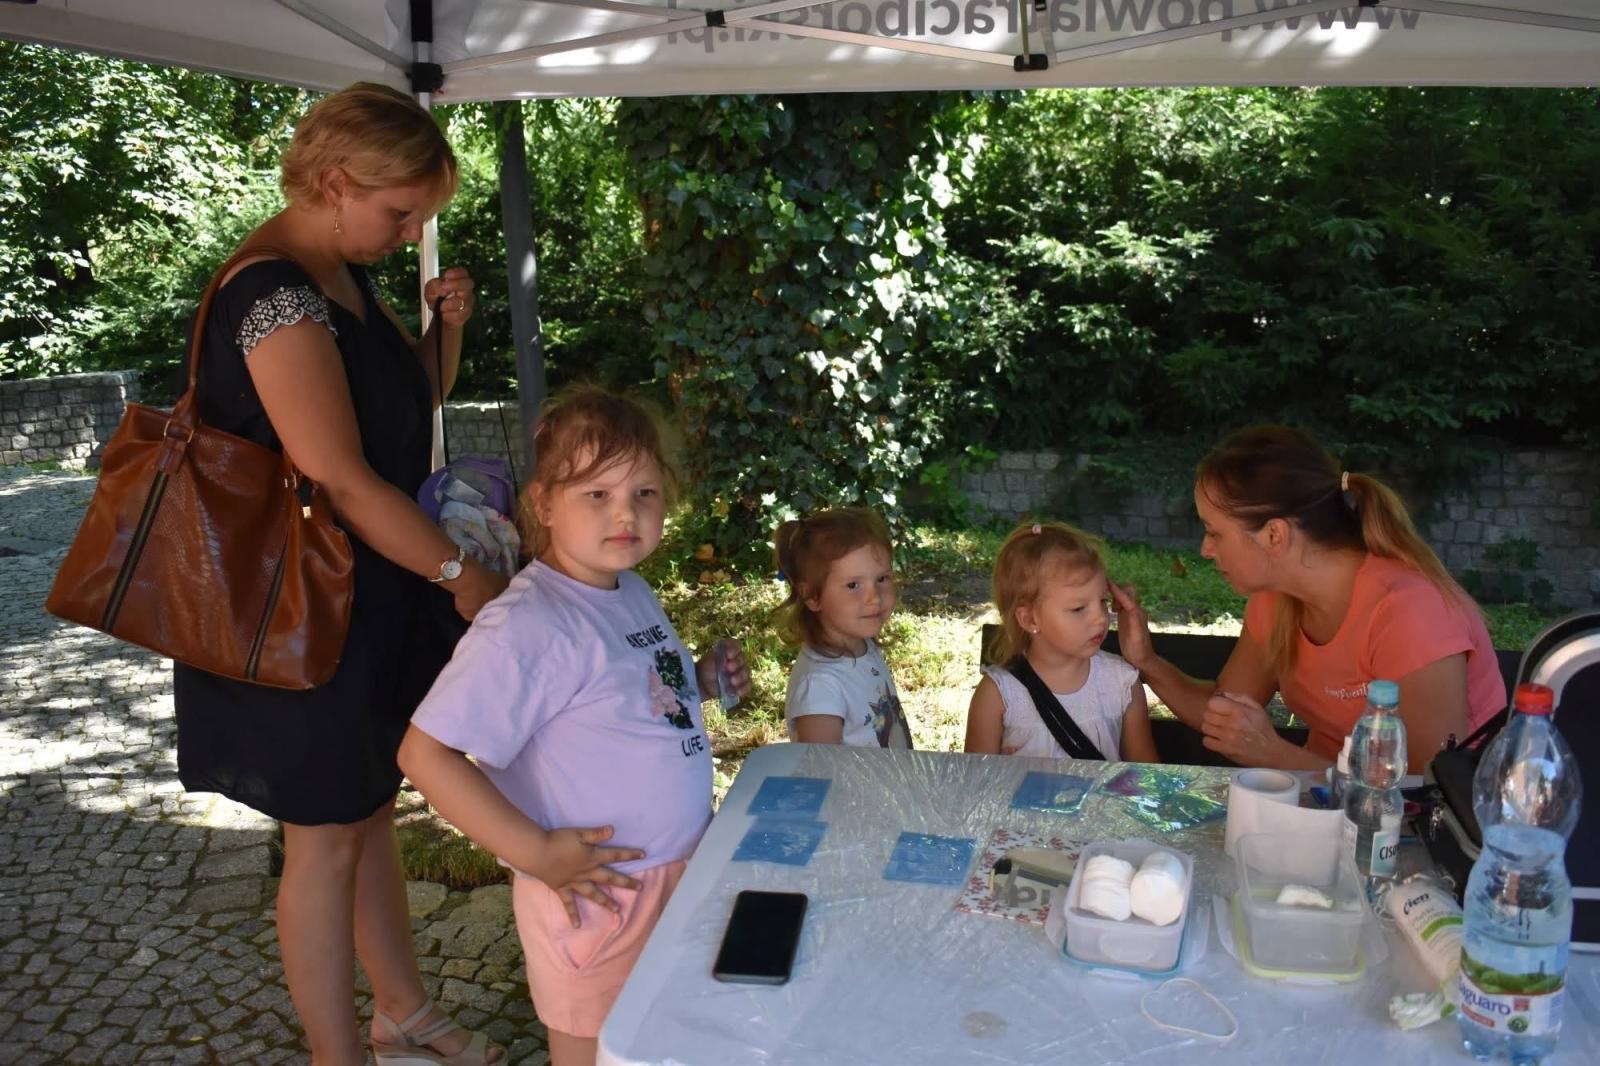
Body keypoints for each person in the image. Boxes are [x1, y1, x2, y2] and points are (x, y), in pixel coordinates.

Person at [170, 83, 509, 1066]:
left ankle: (402, 1011)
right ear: (332, 182)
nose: (410, 235)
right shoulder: (272, 291)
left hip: (364, 597)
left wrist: (441, 335)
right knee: (322, 835)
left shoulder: (339, 275)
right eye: (399, 212)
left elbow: (403, 416)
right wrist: (459, 573)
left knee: (365, 814)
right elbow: (345, 476)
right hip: (301, 607)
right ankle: (338, 1055)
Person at [398, 385, 751, 1066]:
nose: (626, 513)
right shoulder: (529, 623)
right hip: (600, 896)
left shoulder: (627, 589)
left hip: (676, 870)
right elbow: (425, 753)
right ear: (543, 504)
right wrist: (536, 854)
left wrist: (701, 683)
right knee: (596, 1052)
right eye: (597, 494)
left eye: (644, 493)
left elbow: (625, 702)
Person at [1112, 425, 1506, 773]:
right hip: (1325, 808)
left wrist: (1275, 755)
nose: (1205, 549)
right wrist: (1146, 661)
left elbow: (1422, 789)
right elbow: (1223, 713)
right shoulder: (1276, 600)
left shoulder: (1409, 612)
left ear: (1274, 536)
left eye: (1214, 532)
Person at [964, 522, 1158, 762]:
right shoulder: (998, 696)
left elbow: (1147, 778)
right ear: (1029, 619)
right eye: (1078, 608)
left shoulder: (1122, 684)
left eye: (1103, 601)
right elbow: (976, 785)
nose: (1100, 617)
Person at [775, 508, 913, 747]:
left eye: (882, 579)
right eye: (853, 585)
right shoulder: (819, 685)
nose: (874, 597)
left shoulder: (863, 646)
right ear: (812, 596)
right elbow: (824, 772)